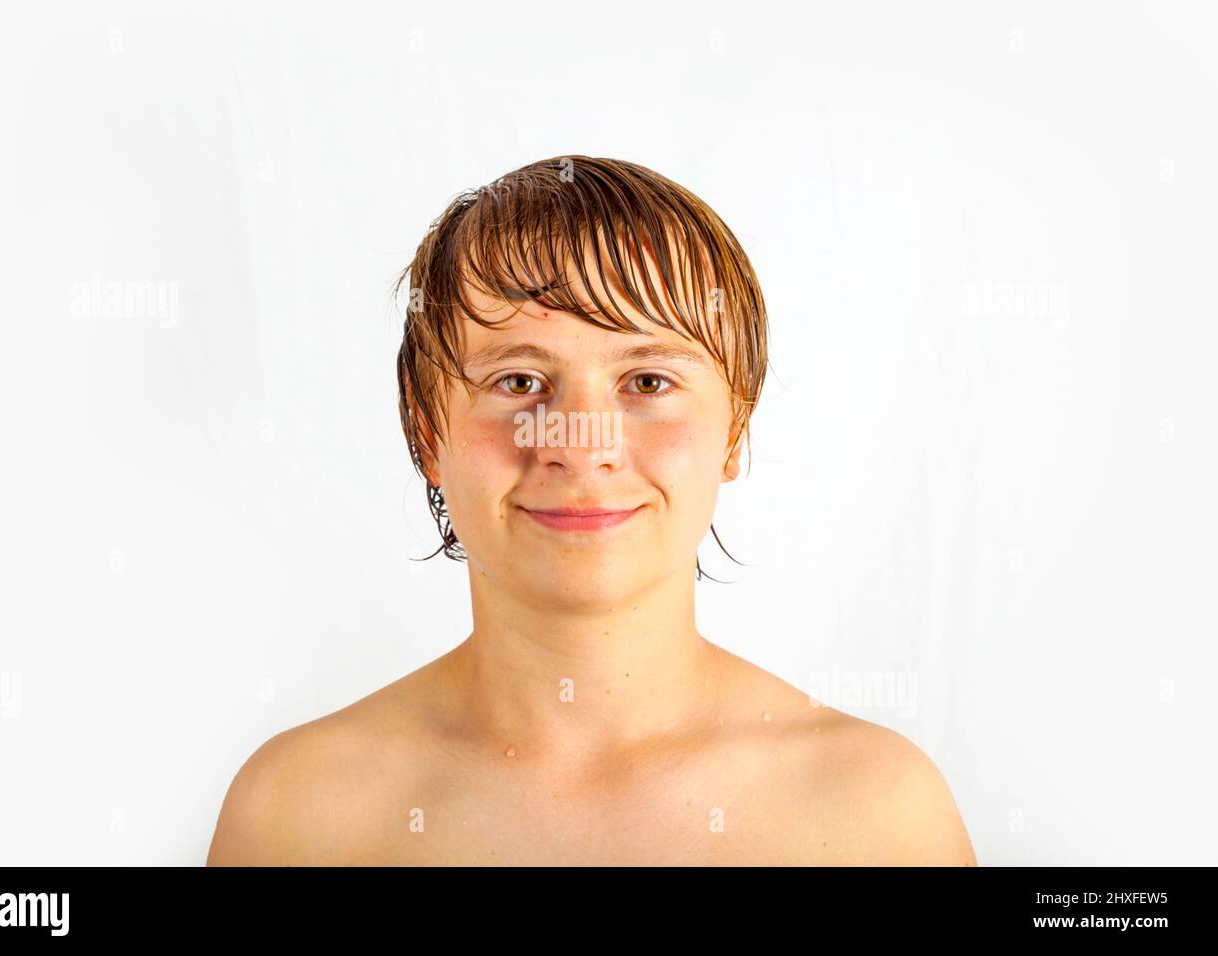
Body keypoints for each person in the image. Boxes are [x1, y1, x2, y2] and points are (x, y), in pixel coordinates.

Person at [206, 155, 977, 865]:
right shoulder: (297, 815)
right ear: (424, 428)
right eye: (517, 382)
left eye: (646, 382)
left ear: (734, 429)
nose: (578, 444)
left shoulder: (877, 815)